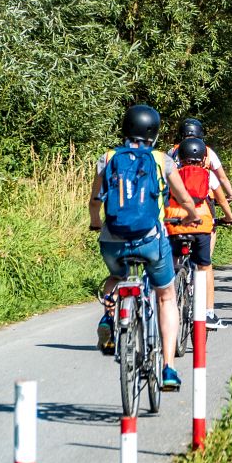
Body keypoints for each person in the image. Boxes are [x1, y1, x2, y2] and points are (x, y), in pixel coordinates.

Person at [89, 105, 201, 391]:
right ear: (154, 131)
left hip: (112, 238)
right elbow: (185, 198)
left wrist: (94, 223)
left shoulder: (108, 157)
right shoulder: (161, 160)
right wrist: (192, 215)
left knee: (115, 278)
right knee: (166, 296)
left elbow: (95, 200)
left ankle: (109, 316)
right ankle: (168, 368)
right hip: (151, 239)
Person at [168, 118, 232, 327]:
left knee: (172, 261)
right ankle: (208, 313)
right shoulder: (207, 158)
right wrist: (230, 205)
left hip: (175, 216)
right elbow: (221, 182)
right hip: (203, 213)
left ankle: (167, 303)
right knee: (205, 265)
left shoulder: (171, 155)